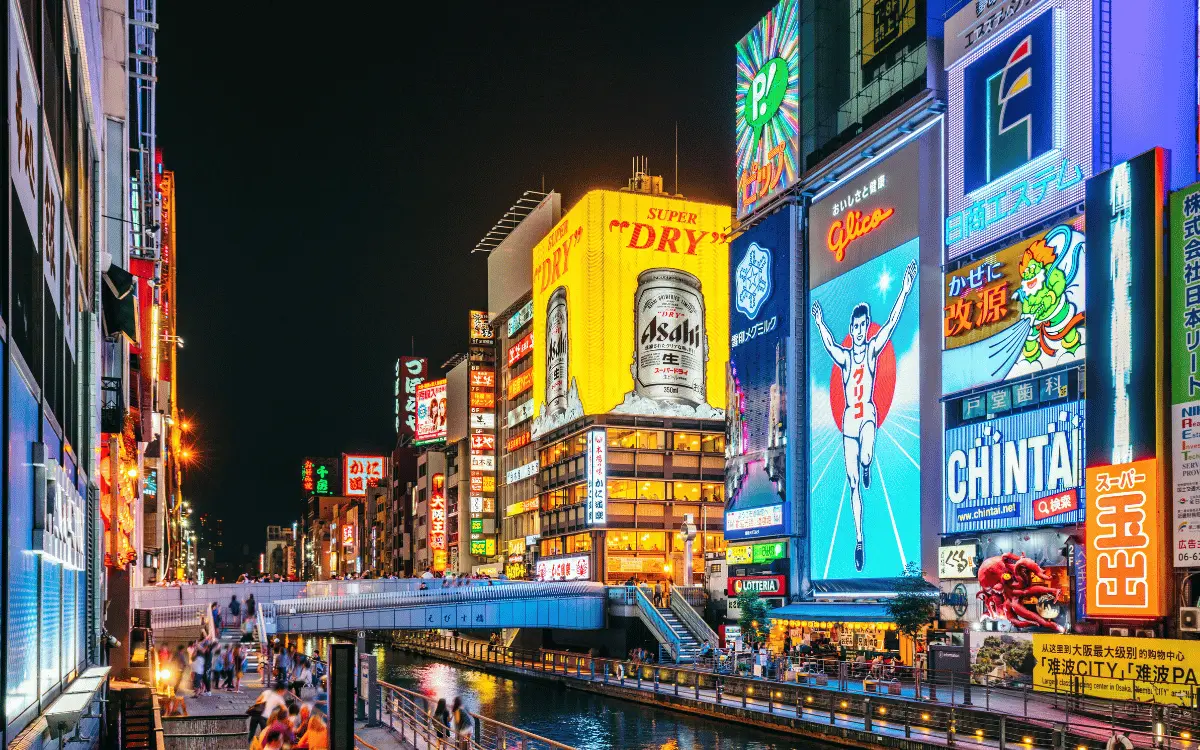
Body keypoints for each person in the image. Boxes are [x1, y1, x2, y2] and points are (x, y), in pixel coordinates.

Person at [810, 258, 916, 572]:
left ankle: (868, 463)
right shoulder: (844, 357)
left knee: (867, 453)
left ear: (866, 324)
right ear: (850, 328)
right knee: (853, 485)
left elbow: (893, 323)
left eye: (862, 326)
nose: (858, 331)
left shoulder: (871, 350)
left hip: (867, 414)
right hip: (848, 424)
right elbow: (829, 344)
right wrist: (819, 322)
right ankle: (859, 539)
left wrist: (905, 290)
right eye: (854, 327)